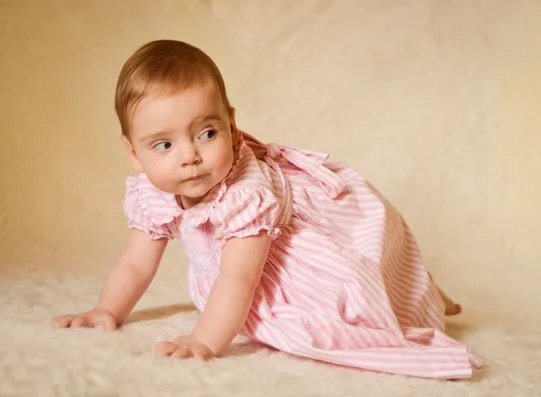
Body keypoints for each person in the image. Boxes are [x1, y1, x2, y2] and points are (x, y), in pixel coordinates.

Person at [53, 39, 483, 379]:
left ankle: (422, 291)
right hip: (239, 265)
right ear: (133, 153)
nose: (190, 156)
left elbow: (239, 276)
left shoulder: (246, 193)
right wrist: (107, 310)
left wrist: (204, 341)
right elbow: (135, 264)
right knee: (383, 277)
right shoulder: (154, 192)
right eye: (163, 144)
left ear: (231, 124)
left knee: (356, 290)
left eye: (206, 132)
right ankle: (422, 287)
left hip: (316, 234)